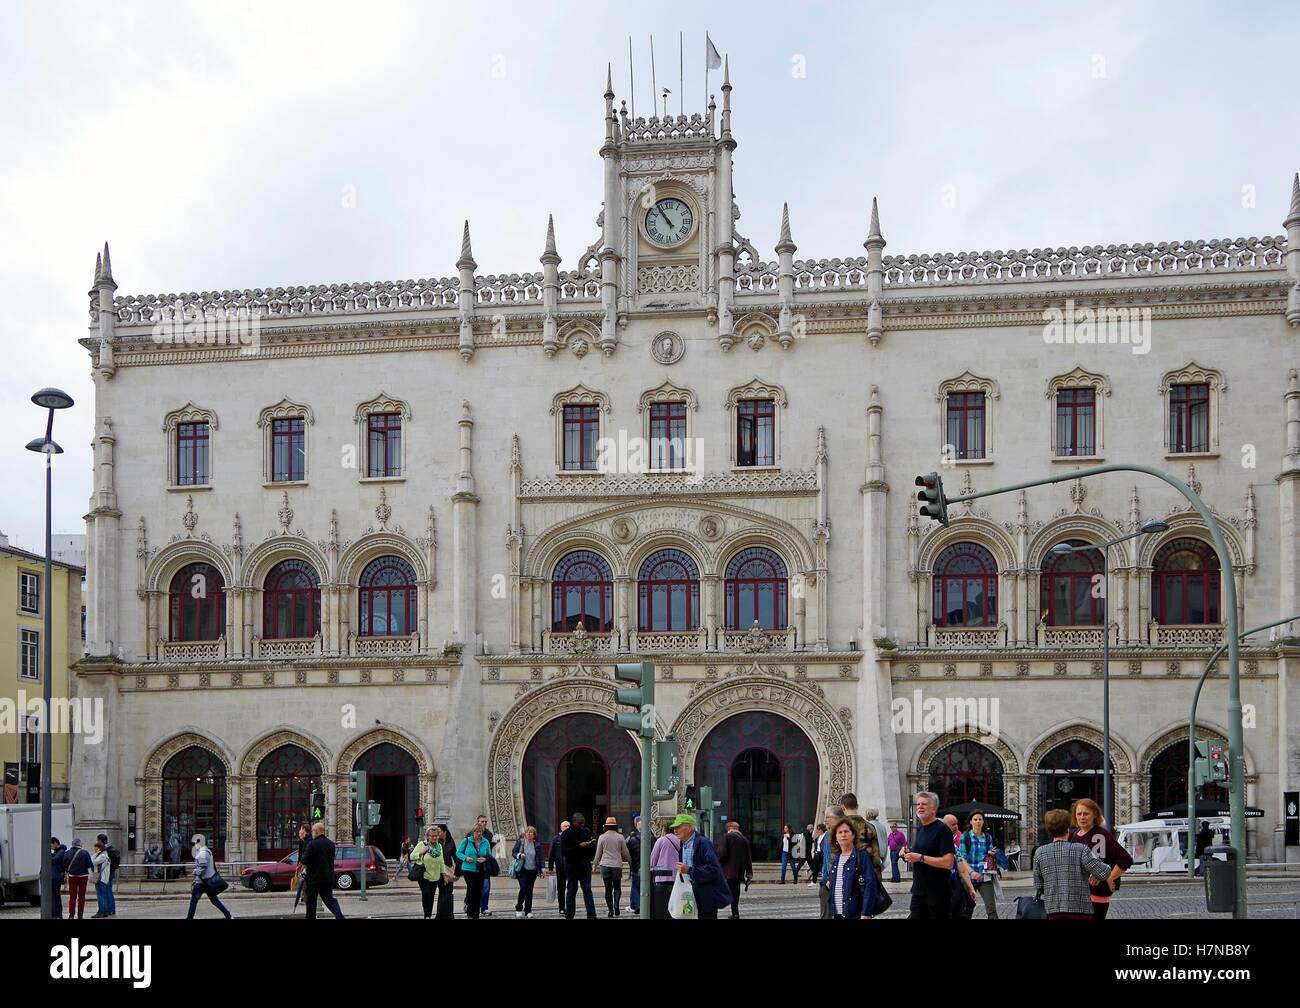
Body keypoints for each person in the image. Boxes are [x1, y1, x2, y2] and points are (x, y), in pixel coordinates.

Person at [1034, 809, 1113, 919]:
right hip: (1080, 910)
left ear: (1049, 830)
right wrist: (1094, 874)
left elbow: (1039, 886)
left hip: (1053, 910)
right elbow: (1104, 872)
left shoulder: (1040, 853)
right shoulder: (1081, 850)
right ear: (1067, 829)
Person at [650, 813, 729, 919]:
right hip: (689, 892)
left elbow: (714, 869)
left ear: (689, 828)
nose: (675, 831)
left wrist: (689, 870)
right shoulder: (683, 843)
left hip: (705, 894)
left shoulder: (703, 843)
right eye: (674, 828)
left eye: (678, 827)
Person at [1069, 798, 1133, 918]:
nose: (1082, 817)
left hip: (1096, 894)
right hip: (1077, 895)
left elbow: (1125, 859)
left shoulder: (1101, 834)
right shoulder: (1073, 835)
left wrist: (1109, 877)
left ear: (1094, 814)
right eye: (1079, 814)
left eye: (1086, 813)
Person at [902, 792, 954, 919]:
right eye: (918, 804)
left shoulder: (942, 830)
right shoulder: (921, 829)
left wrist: (920, 857)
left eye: (924, 804)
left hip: (937, 895)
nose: (920, 807)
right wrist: (907, 854)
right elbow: (920, 855)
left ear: (934, 809)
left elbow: (948, 863)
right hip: (919, 892)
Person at [825, 818, 878, 919]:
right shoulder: (836, 858)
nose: (843, 835)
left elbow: (870, 884)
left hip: (854, 913)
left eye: (846, 831)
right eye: (840, 832)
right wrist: (827, 883)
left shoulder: (862, 856)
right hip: (835, 914)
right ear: (836, 837)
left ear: (853, 835)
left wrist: (866, 912)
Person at [958, 811, 1002, 919]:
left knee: (991, 909)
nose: (978, 821)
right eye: (975, 819)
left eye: (980, 819)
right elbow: (961, 858)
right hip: (969, 878)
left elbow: (989, 853)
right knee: (967, 909)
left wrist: (992, 853)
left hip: (984, 876)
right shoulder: (965, 837)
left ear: (983, 822)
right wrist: (971, 872)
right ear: (971, 822)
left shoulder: (988, 837)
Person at [301, 822, 344, 920]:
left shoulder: (312, 844)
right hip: (328, 878)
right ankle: (339, 916)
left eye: (312, 831)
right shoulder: (330, 844)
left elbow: (304, 860)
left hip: (314, 879)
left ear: (316, 831)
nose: (311, 833)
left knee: (311, 901)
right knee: (330, 900)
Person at [559, 812, 598, 919]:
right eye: (580, 823)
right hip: (572, 867)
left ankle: (591, 914)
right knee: (571, 890)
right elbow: (564, 851)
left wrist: (591, 846)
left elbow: (590, 851)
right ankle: (569, 914)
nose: (582, 825)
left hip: (584, 866)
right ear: (574, 822)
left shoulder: (586, 831)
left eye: (583, 823)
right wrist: (579, 846)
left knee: (587, 889)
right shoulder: (566, 834)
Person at [186, 833, 233, 919]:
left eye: (194, 844)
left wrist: (195, 872)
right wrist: (195, 879)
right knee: (214, 900)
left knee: (194, 901)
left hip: (202, 883)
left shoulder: (203, 853)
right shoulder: (207, 851)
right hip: (205, 881)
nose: (194, 846)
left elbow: (202, 867)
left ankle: (189, 918)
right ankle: (228, 915)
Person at [592, 817, 631, 917]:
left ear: (606, 826)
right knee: (617, 887)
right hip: (617, 865)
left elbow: (598, 853)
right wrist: (631, 862)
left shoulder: (602, 837)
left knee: (608, 889)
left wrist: (595, 865)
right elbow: (625, 852)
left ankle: (610, 911)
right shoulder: (620, 837)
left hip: (605, 865)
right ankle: (616, 906)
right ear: (615, 826)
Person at [944, 813, 979, 918]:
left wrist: (970, 888)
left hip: (955, 886)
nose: (956, 827)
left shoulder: (954, 846)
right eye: (953, 824)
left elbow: (962, 870)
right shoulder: (935, 842)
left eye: (956, 824)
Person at [457, 819, 493, 919]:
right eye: (476, 832)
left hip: (480, 870)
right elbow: (458, 853)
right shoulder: (467, 841)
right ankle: (470, 912)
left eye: (480, 832)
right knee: (472, 889)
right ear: (473, 832)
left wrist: (484, 858)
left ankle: (475, 914)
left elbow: (489, 855)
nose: (478, 834)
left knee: (478, 891)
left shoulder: (485, 842)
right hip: (468, 869)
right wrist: (465, 858)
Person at [717, 820, 754, 918]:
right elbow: (748, 857)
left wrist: (717, 862)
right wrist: (749, 872)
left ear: (729, 828)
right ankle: (735, 912)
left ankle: (734, 913)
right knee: (735, 892)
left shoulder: (727, 837)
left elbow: (722, 853)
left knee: (731, 891)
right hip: (739, 871)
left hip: (729, 870)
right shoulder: (744, 839)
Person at [411, 826, 445, 918]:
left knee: (432, 895)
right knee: (426, 894)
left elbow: (441, 861)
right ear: (427, 836)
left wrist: (444, 874)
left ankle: (428, 914)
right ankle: (427, 915)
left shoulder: (439, 847)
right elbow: (412, 856)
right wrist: (421, 852)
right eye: (432, 836)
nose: (434, 838)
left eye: (436, 836)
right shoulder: (422, 844)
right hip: (424, 874)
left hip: (435, 875)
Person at [817, 805, 843, 917]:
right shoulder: (828, 834)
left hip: (833, 879)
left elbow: (836, 858)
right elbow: (827, 858)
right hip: (826, 878)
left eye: (828, 817)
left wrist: (830, 877)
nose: (825, 820)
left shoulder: (840, 835)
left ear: (837, 819)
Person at [512, 825, 543, 917]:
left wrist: (543, 869)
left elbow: (540, 857)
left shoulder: (537, 845)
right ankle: (518, 908)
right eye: (527, 832)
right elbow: (513, 852)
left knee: (529, 891)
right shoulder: (521, 842)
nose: (528, 834)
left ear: (534, 835)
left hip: (533, 871)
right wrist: (519, 855)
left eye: (531, 832)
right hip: (522, 870)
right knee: (524, 888)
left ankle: (528, 910)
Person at [431, 823, 457, 919]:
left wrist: (458, 871)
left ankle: (449, 914)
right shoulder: (437, 843)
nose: (438, 833)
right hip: (440, 870)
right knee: (442, 891)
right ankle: (440, 914)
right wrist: (443, 873)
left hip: (449, 869)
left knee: (449, 891)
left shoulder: (450, 841)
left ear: (445, 832)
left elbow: (455, 856)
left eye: (439, 831)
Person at [472, 814, 495, 916]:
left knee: (486, 888)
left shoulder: (489, 835)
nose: (484, 823)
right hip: (473, 865)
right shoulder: (470, 834)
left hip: (485, 866)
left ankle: (484, 908)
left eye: (485, 821)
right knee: (474, 888)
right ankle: (470, 904)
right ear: (478, 822)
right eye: (482, 821)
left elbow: (488, 851)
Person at [65, 838, 92, 919]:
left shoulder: (67, 853)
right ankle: (80, 915)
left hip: (72, 876)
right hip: (83, 876)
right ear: (80, 844)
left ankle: (71, 915)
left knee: (72, 896)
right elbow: (89, 864)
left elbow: (64, 863)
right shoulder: (85, 852)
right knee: (81, 897)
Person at [548, 820, 570, 916]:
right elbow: (551, 854)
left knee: (571, 888)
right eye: (565, 826)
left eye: (568, 826)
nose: (567, 828)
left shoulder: (574, 838)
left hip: (571, 867)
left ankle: (570, 907)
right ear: (561, 828)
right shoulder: (556, 838)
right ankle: (561, 907)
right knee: (561, 889)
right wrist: (550, 868)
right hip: (560, 868)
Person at [95, 832, 119, 916]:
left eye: (98, 840)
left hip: (106, 872)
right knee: (109, 891)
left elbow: (96, 861)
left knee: (105, 892)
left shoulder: (106, 850)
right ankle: (111, 909)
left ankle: (106, 909)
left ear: (100, 841)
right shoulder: (112, 848)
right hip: (111, 872)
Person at [91, 840, 112, 918]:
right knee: (102, 895)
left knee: (101, 895)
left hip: (101, 877)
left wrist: (96, 854)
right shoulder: (103, 855)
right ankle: (104, 911)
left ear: (100, 848)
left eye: (96, 847)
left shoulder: (103, 856)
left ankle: (101, 911)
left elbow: (92, 862)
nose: (94, 849)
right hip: (98, 876)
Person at [49, 837, 69, 920]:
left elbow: (54, 860)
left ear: (55, 843)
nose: (50, 847)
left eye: (51, 845)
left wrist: (49, 856)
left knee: (55, 897)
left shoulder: (61, 851)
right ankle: (57, 914)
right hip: (56, 877)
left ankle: (56, 914)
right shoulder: (58, 851)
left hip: (55, 878)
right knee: (55, 897)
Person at [292, 822, 310, 910]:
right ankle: (304, 898)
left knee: (304, 883)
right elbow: (300, 855)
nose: (299, 832)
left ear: (304, 830)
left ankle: (305, 898)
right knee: (302, 883)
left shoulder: (309, 840)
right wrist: (298, 865)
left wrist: (302, 865)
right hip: (302, 865)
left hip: (307, 865)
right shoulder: (301, 841)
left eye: (300, 830)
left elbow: (305, 855)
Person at [626, 816, 642, 914]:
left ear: (636, 825)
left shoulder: (632, 839)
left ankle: (636, 905)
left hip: (636, 867)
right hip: (650, 867)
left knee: (636, 887)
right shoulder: (652, 837)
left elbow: (628, 854)